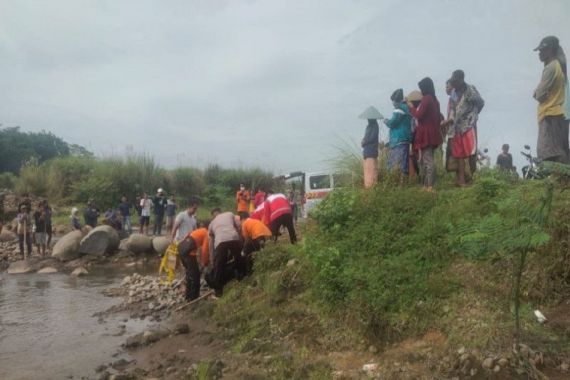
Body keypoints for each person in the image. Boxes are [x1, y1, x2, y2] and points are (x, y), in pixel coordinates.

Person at [533, 36, 569, 163]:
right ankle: (563, 180)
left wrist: (536, 92)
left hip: (549, 114)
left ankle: (561, 180)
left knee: (549, 152)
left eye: (542, 50)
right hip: (558, 114)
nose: (540, 53)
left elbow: (539, 95)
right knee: (559, 150)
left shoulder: (551, 68)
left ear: (551, 50)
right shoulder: (559, 66)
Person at [449, 70, 485, 186]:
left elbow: (481, 102)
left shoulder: (470, 90)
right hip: (457, 127)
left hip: (469, 125)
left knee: (471, 153)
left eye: (455, 81)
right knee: (459, 154)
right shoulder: (453, 93)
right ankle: (462, 180)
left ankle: (474, 178)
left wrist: (474, 114)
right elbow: (453, 108)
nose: (453, 83)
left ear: (461, 79)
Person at [407, 77, 443, 191]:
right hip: (433, 133)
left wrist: (411, 107)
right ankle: (426, 185)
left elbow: (418, 115)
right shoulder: (435, 100)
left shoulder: (426, 99)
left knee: (427, 160)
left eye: (421, 88)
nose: (421, 91)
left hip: (426, 134)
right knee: (424, 160)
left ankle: (430, 186)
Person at [207, 208, 244, 297]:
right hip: (233, 237)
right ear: (221, 212)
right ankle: (242, 278)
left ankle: (218, 291)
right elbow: (239, 226)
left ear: (213, 216)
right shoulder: (230, 213)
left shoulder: (211, 224)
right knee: (238, 258)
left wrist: (212, 259)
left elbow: (211, 243)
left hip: (220, 242)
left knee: (219, 266)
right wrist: (241, 241)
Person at [384, 89, 413, 179]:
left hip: (398, 139)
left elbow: (392, 122)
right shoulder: (407, 108)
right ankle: (403, 183)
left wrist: (386, 121)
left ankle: (399, 184)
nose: (393, 103)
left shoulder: (398, 109)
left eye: (393, 101)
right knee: (404, 163)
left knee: (395, 164)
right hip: (406, 138)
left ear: (396, 100)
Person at [178, 221, 209, 301]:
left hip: (181, 249)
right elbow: (204, 250)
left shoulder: (197, 231)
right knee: (195, 275)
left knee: (189, 273)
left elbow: (186, 237)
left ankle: (188, 296)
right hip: (189, 253)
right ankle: (194, 297)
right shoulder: (206, 233)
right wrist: (204, 262)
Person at [359, 106, 382, 188]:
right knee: (367, 172)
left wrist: (364, 141)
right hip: (367, 152)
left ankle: (371, 188)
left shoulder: (375, 126)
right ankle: (369, 187)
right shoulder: (369, 126)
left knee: (371, 172)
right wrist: (364, 140)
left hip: (371, 152)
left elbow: (372, 138)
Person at [441, 80, 458, 173]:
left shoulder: (453, 97)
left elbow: (452, 118)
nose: (446, 89)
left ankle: (463, 177)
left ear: (453, 87)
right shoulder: (453, 97)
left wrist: (443, 123)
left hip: (455, 131)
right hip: (453, 130)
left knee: (453, 154)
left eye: (447, 87)